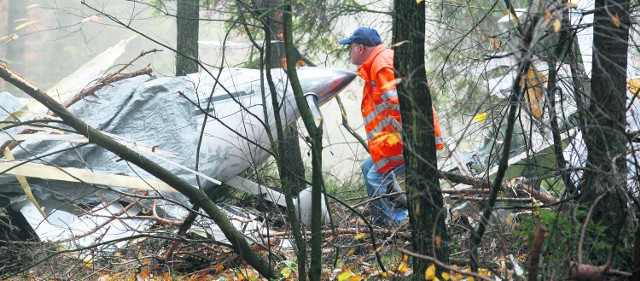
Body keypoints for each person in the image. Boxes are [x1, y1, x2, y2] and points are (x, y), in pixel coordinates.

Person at [339, 27, 443, 227]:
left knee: (375, 176)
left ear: (360, 48)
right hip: (397, 139)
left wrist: (407, 142)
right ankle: (392, 216)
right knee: (369, 166)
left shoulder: (381, 66)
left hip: (407, 139)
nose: (349, 52)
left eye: (350, 47)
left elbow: (400, 106)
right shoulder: (378, 63)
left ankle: (394, 223)